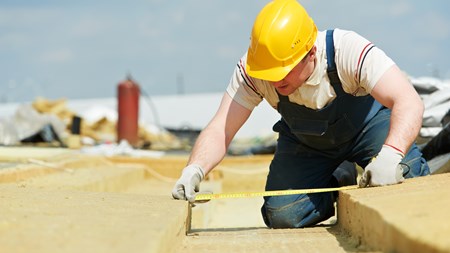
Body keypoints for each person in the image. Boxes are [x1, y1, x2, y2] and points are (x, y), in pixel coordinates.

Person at [172, 0, 430, 228]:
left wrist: (390, 155)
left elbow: (408, 101)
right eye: (269, 74)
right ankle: (341, 175)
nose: (275, 81)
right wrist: (194, 169)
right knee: (283, 214)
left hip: (367, 129)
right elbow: (221, 128)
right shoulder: (255, 70)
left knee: (407, 174)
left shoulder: (347, 50)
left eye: (283, 71)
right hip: (307, 143)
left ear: (311, 52)